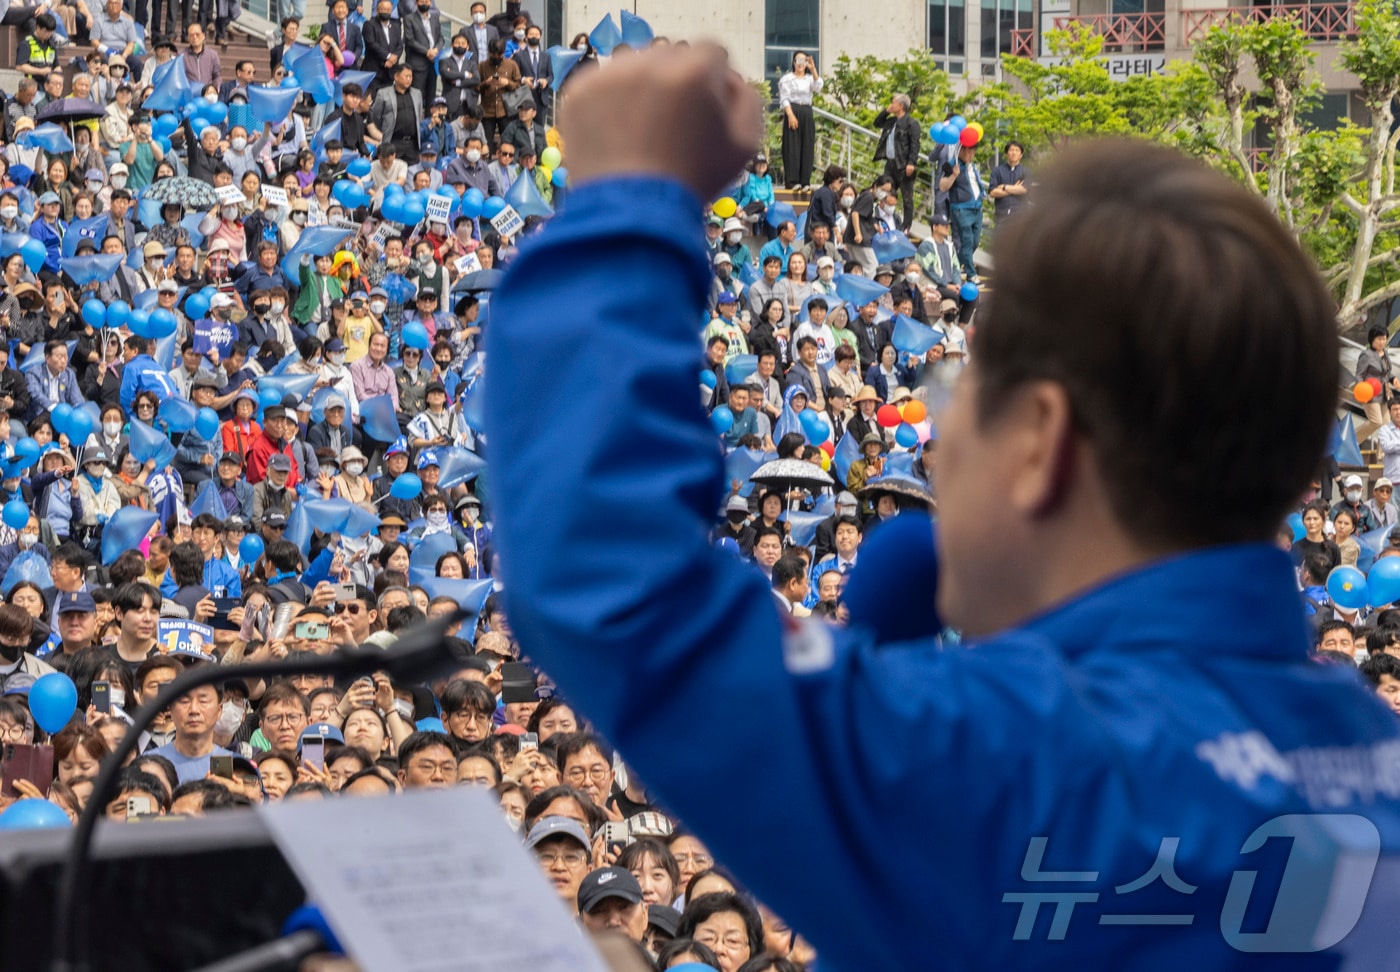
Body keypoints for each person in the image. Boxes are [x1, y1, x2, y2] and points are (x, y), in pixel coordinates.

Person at [486, 48, 1400, 970]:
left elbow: (608, 579)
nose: (937, 437)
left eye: (957, 392)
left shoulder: (1003, 753)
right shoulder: (1374, 754)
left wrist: (624, 203)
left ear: (1040, 439)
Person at [873, 93, 919, 233]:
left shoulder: (912, 123)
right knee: (884, 190)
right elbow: (877, 123)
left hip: (903, 164)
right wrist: (886, 111)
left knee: (907, 197)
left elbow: (915, 144)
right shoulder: (891, 121)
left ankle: (906, 226)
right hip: (890, 163)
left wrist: (911, 162)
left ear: (900, 106)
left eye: (893, 103)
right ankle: (881, 217)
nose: (891, 105)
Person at [776, 51, 820, 191]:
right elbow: (784, 98)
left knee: (807, 145)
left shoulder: (809, 78)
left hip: (806, 111)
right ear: (793, 62)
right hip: (793, 110)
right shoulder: (787, 79)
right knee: (792, 147)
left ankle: (805, 180)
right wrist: (790, 114)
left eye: (803, 60)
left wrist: (813, 69)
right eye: (798, 60)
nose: (800, 64)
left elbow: (818, 87)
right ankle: (792, 180)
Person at [989, 140, 1030, 224]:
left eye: (1017, 150)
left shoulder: (1026, 171)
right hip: (1002, 215)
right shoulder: (997, 170)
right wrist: (1014, 189)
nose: (1014, 153)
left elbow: (1024, 190)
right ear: (1006, 154)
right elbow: (992, 192)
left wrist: (1004, 187)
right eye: (1011, 150)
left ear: (1021, 155)